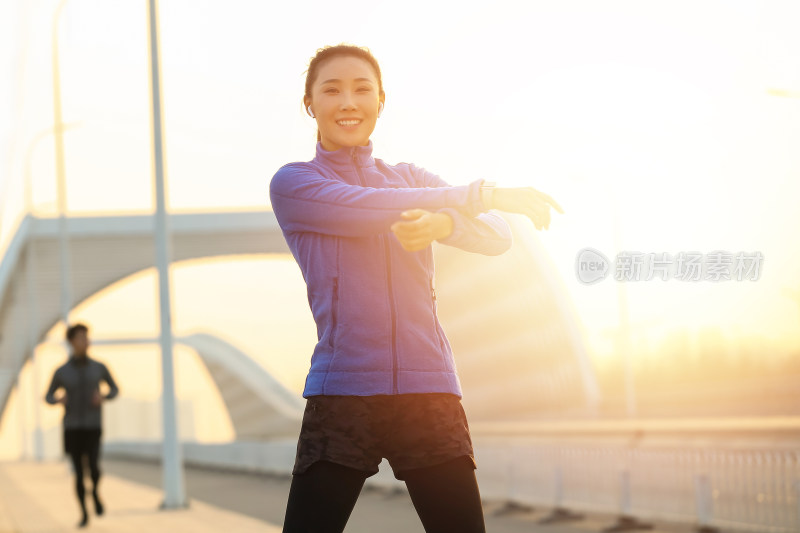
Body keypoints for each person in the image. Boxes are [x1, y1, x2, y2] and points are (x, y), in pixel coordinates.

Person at [269, 44, 563, 533]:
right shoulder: (297, 183)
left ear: (381, 102)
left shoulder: (412, 179)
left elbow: (497, 234)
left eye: (363, 90)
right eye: (332, 90)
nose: (348, 102)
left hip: (429, 391)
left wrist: (443, 226)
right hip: (345, 391)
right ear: (309, 104)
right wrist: (476, 194)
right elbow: (365, 207)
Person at [44, 322, 119, 528]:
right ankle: (84, 513)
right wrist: (58, 400)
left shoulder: (99, 367)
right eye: (80, 338)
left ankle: (94, 492)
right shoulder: (62, 372)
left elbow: (114, 389)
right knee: (78, 472)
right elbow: (48, 396)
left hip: (93, 426)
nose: (85, 342)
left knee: (94, 468)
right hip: (72, 428)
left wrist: (103, 396)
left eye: (87, 337)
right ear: (71, 342)